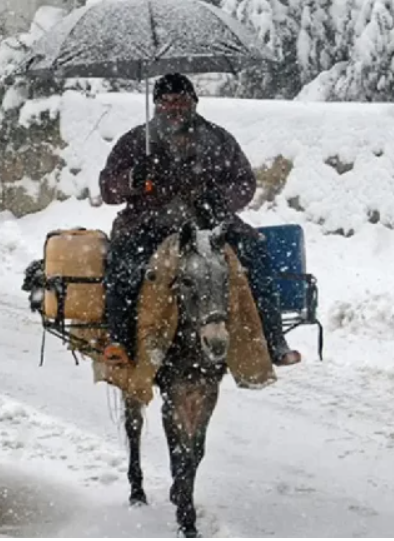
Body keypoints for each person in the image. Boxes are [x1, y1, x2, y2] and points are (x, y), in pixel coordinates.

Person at [99, 73, 301, 368]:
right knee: (125, 263)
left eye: (180, 100)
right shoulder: (135, 142)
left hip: (211, 223)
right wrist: (132, 179)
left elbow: (245, 182)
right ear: (156, 105)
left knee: (255, 254)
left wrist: (221, 199)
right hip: (149, 224)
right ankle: (121, 342)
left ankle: (273, 341)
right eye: (166, 102)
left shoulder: (219, 139)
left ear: (194, 102)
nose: (174, 107)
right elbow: (107, 188)